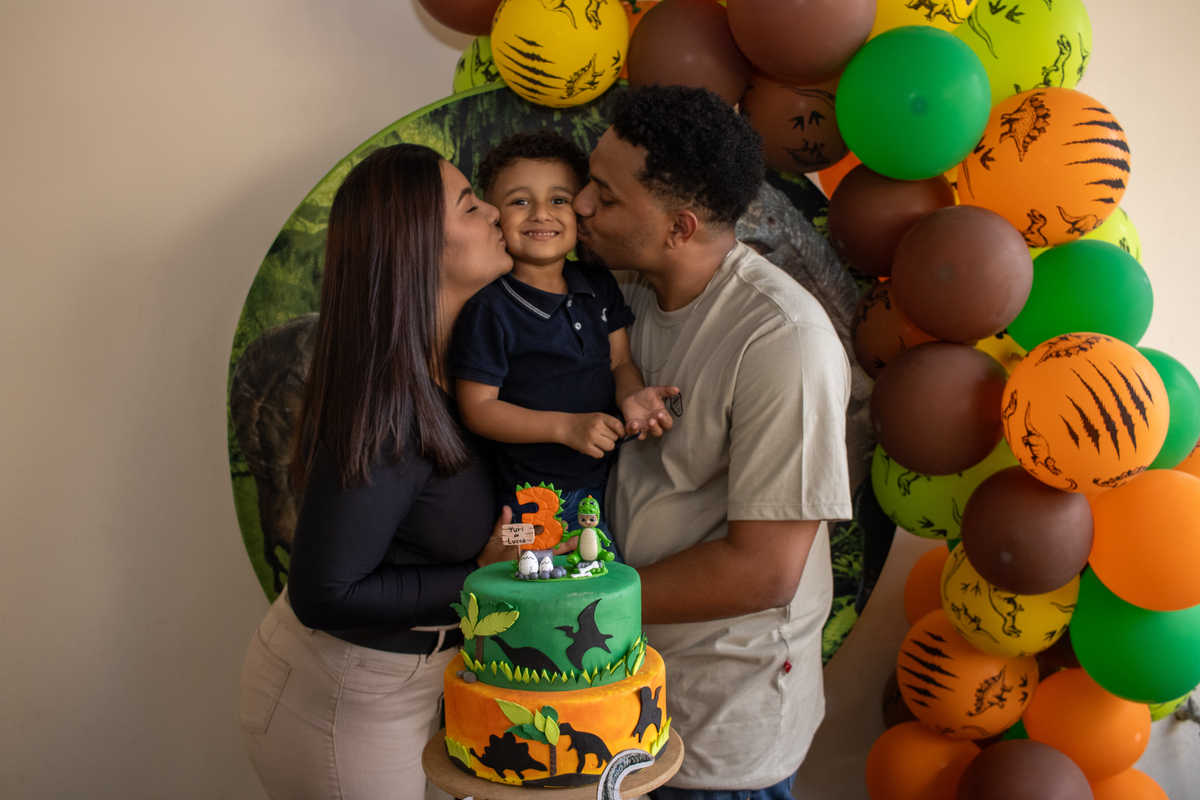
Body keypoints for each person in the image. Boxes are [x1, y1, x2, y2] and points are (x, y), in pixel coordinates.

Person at [572, 85, 854, 798]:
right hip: (621, 694)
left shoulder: (783, 341)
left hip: (721, 723)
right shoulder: (624, 292)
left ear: (680, 226)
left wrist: (578, 605)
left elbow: (763, 571)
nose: (580, 205)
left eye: (606, 196)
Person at [237, 143, 520, 800]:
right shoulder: (390, 407)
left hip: (413, 686)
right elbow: (325, 592)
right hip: (343, 703)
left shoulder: (452, 374)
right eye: (469, 206)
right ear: (416, 248)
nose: (494, 213)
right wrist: (480, 576)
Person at [450, 131, 677, 542]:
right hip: (530, 498)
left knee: (601, 575)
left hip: (606, 484)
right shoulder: (491, 308)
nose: (541, 214)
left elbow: (620, 361)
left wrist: (631, 396)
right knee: (538, 578)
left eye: (558, 200)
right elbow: (477, 408)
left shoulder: (598, 283)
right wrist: (564, 428)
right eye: (520, 202)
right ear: (494, 215)